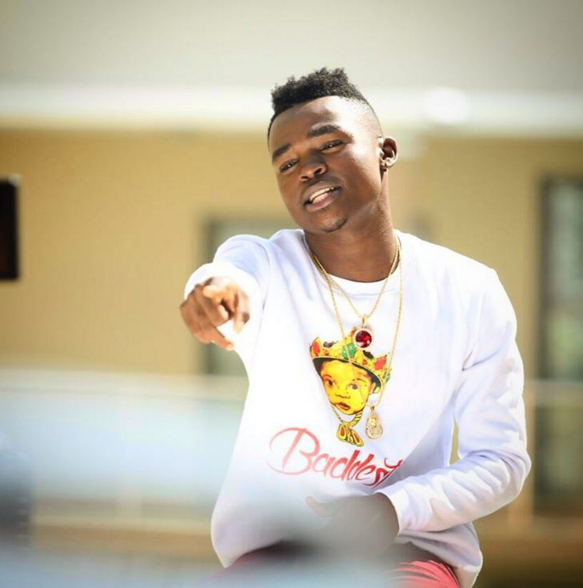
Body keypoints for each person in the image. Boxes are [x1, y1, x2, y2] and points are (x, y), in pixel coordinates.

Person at [180, 68, 530, 588]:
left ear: (385, 151)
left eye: (330, 144)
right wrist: (213, 292)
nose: (308, 168)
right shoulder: (267, 264)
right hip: (276, 550)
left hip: (409, 548)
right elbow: (231, 273)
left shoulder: (469, 291)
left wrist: (392, 508)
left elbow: (500, 461)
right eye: (287, 163)